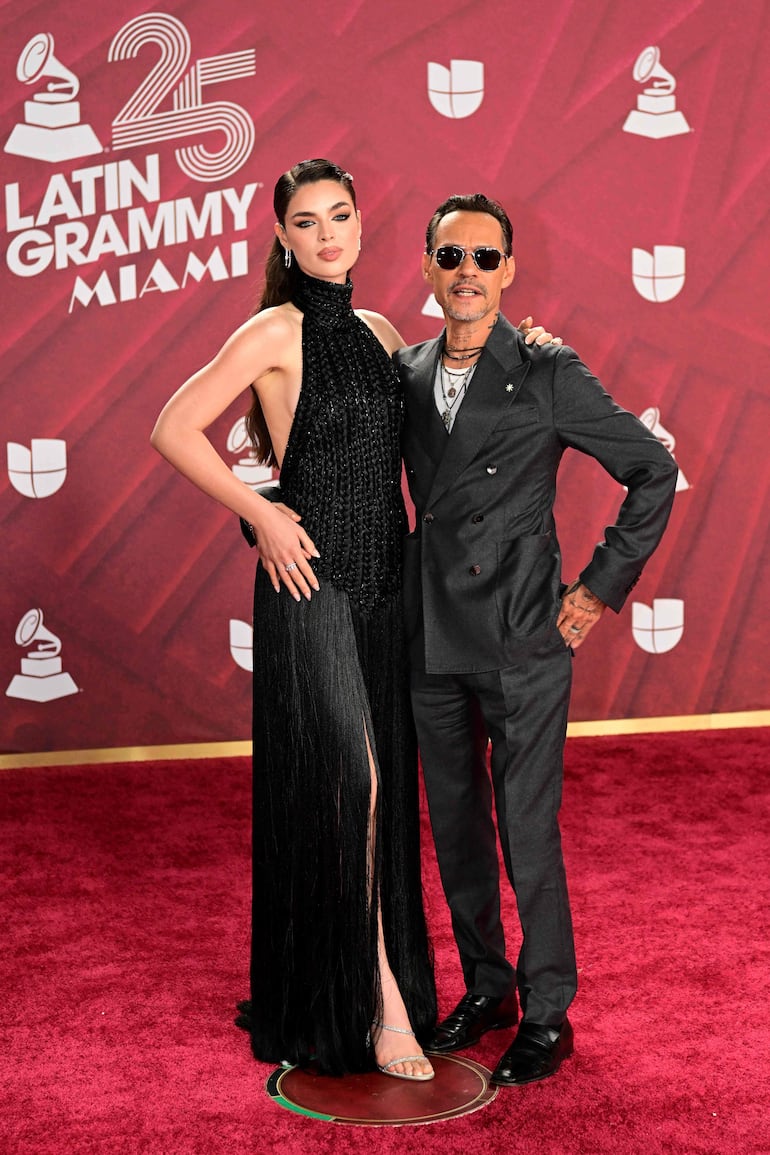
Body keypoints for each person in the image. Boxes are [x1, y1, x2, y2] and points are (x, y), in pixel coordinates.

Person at [151, 158, 555, 1079]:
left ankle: (340, 979)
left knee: (381, 793)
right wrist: (261, 511)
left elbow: (456, 399)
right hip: (311, 586)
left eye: (340, 215)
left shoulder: (380, 331)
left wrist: (527, 348)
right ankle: (378, 1007)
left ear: (364, 226)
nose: (327, 233)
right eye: (307, 221)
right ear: (284, 238)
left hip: (390, 587)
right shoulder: (272, 330)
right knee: (359, 784)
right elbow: (173, 426)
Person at [395, 193, 678, 1086]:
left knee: (525, 830)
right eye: (451, 257)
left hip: (521, 637)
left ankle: (548, 1009)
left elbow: (653, 470)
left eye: (485, 257)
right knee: (456, 828)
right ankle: (489, 987)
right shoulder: (403, 371)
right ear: (429, 269)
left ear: (509, 269)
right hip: (432, 638)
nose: (467, 272)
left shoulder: (550, 371)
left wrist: (595, 590)